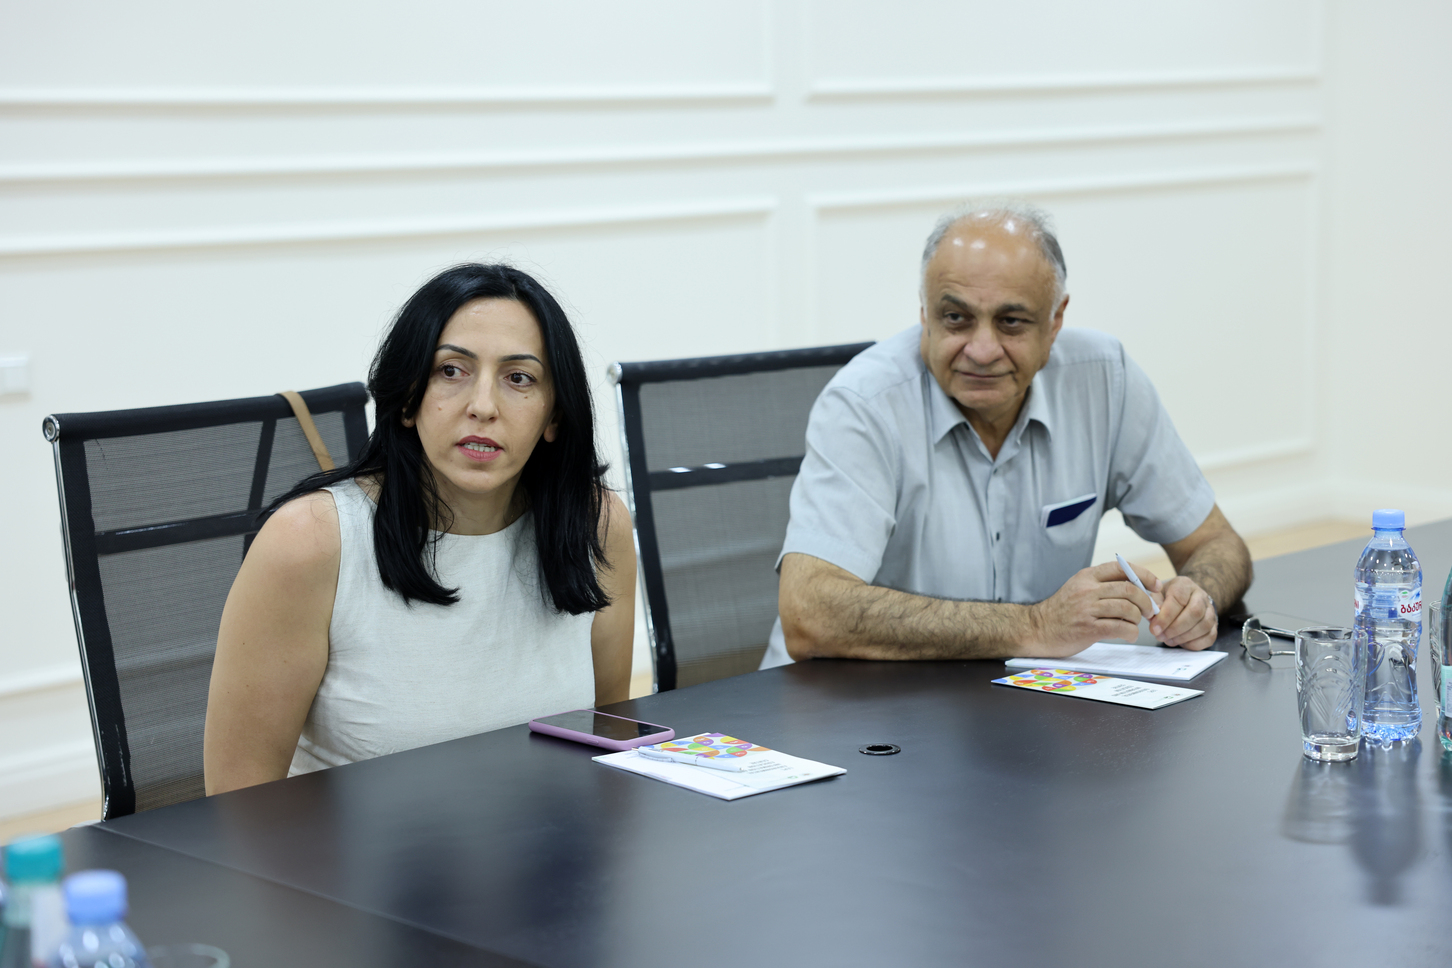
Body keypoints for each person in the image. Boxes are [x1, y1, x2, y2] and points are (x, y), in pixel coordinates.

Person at [204, 264, 635, 794]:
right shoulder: (310, 541)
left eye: (519, 378)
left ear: (554, 416)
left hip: (551, 839)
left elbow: (608, 746)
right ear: (408, 398)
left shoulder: (597, 525)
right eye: (451, 370)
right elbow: (238, 804)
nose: (483, 406)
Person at [765, 201, 1252, 667]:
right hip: (849, 703)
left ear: (1055, 321)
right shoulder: (864, 404)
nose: (981, 350)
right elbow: (810, 613)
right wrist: (1036, 626)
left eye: (1011, 322)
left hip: (1016, 699)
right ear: (924, 314)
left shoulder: (1106, 380)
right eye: (955, 318)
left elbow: (1217, 543)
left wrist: (1198, 598)